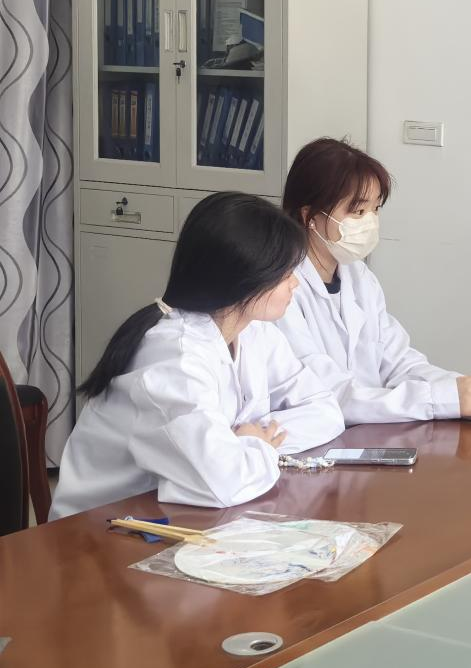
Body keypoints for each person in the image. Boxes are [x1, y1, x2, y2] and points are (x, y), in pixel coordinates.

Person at [51, 193, 344, 519]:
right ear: (244, 278)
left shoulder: (255, 333)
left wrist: (246, 441)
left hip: (178, 518)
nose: (295, 283)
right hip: (99, 532)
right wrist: (254, 446)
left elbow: (327, 411)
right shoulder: (172, 358)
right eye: (285, 273)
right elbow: (224, 483)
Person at [277, 138, 471, 424]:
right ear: (310, 216)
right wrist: (437, 399)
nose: (370, 222)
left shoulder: (358, 277)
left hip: (370, 430)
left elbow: (397, 360)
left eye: (375, 209)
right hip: (316, 437)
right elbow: (327, 393)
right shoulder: (279, 288)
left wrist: (460, 387)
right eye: (358, 212)